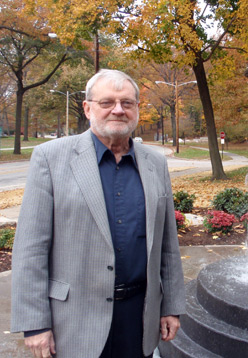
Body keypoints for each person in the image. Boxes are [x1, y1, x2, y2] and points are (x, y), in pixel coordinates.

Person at [11, 69, 186, 358]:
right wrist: (34, 324)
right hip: (74, 322)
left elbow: (168, 245)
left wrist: (171, 307)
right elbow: (31, 248)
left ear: (137, 109)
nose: (118, 110)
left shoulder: (155, 162)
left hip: (139, 317)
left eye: (127, 103)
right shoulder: (50, 158)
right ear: (88, 107)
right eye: (107, 102)